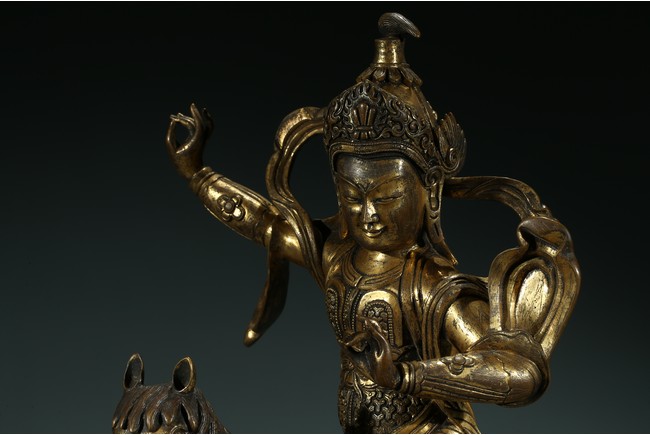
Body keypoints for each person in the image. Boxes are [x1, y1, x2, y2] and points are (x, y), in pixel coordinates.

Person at [165, 13, 580, 434]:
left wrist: (405, 376)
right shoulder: (336, 255)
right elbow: (263, 223)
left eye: (386, 198)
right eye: (352, 196)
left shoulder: (431, 286)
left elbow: (517, 373)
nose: (368, 214)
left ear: (430, 192)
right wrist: (197, 173)